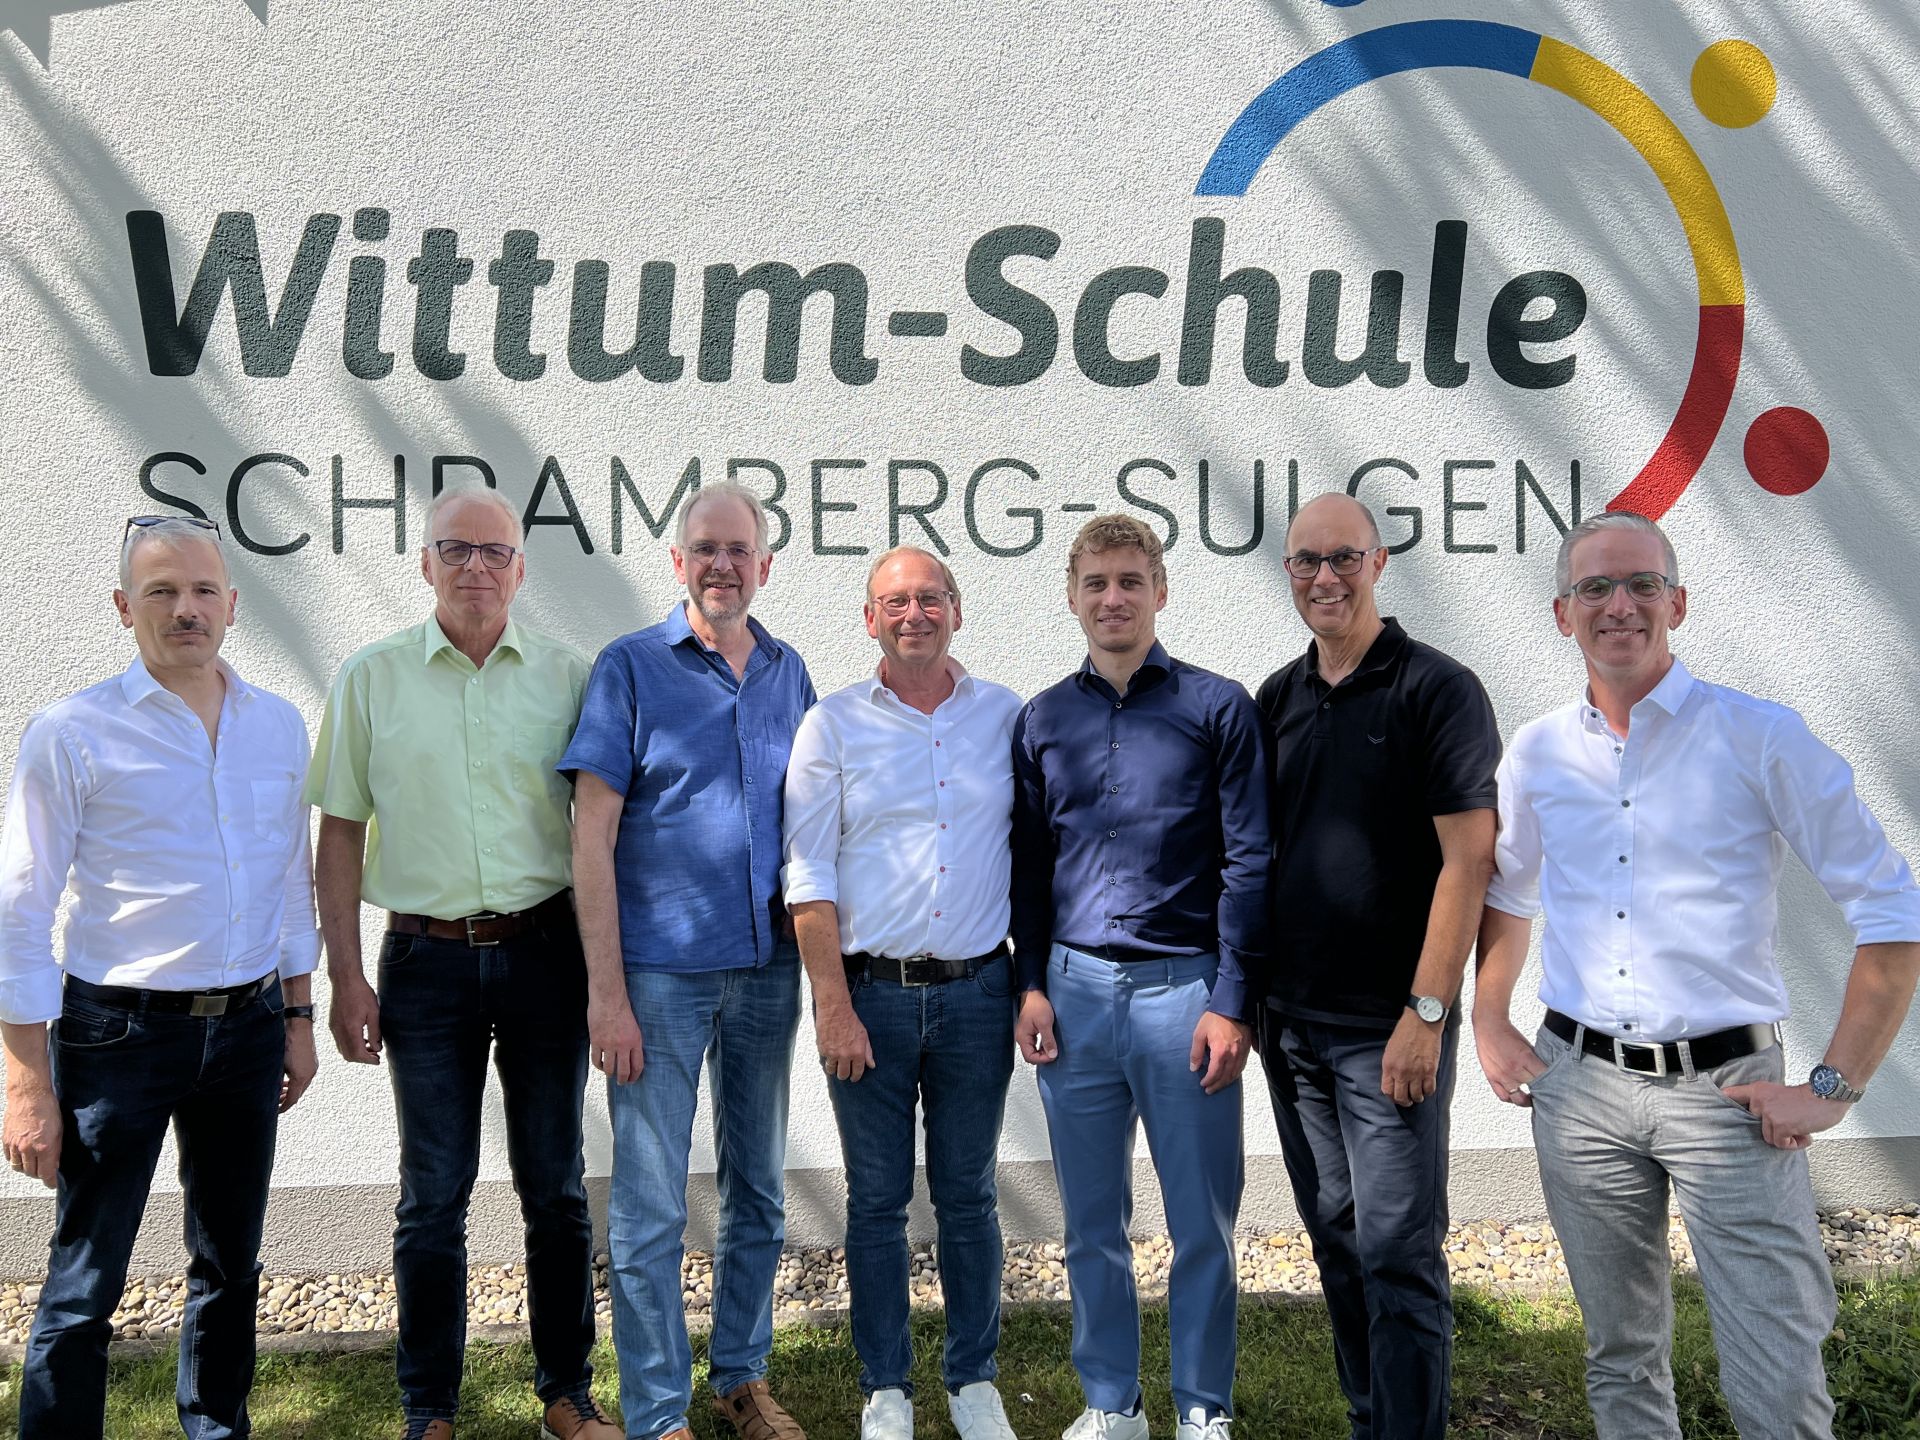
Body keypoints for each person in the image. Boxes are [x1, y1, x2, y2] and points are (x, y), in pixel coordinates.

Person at [1474, 510, 1920, 1440]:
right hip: (1579, 1092)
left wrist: (1834, 1087)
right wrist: (1489, 1017)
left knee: (1776, 1365)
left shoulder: (1761, 738)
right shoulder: (1539, 751)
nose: (1619, 605)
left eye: (1642, 584)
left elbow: (1892, 913)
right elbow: (1507, 895)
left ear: (1677, 603)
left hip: (1729, 1099)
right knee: (1620, 1355)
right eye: (1595, 587)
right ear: (1562, 613)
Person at [0, 515, 320, 1440]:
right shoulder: (72, 734)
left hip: (249, 1028)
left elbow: (289, 881)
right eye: (162, 592)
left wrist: (299, 1015)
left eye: (203, 590)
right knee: (85, 1280)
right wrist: (24, 1082)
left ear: (232, 604)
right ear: (123, 606)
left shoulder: (277, 725)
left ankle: (215, 1428)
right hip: (117, 1036)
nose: (187, 609)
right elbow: (19, 911)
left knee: (230, 1265)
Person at [307, 487, 613, 1440]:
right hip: (424, 962)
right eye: (456, 549)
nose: (476, 567)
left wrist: (611, 975)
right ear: (425, 562)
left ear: (521, 569)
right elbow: (339, 833)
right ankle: (429, 1408)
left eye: (495, 552)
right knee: (432, 1195)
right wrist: (344, 976)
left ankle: (566, 1392)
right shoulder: (371, 679)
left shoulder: (569, 678)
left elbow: (601, 831)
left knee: (555, 1188)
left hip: (546, 954)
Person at [562, 482, 817, 1440]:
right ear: (678, 562)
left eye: (738, 549)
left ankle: (740, 1378)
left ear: (764, 565)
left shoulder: (789, 673)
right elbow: (591, 837)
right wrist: (607, 995)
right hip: (659, 981)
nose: (721, 565)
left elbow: (815, 825)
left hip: (767, 971)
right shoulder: (629, 668)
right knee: (650, 1207)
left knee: (758, 1191)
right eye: (704, 548)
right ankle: (658, 1412)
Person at [1010, 514, 1268, 1440]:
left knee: (1201, 1222)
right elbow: (1029, 865)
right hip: (1073, 996)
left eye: (1130, 581)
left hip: (1186, 995)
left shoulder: (1218, 707)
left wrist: (1233, 1001)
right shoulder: (1043, 719)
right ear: (1072, 597)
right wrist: (1030, 985)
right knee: (1090, 1223)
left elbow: (1250, 860)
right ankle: (1112, 1404)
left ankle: (1201, 1410)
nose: (1112, 598)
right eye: (1096, 583)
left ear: (1161, 591)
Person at [1254, 494, 1498, 1440]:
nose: (1326, 578)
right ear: (1288, 572)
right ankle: (1373, 1420)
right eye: (1307, 561)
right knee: (1338, 1240)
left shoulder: (1437, 689)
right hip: (1293, 1028)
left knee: (1398, 1252)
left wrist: (1427, 1013)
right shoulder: (1278, 698)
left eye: (1344, 558)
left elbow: (1469, 863)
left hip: (1387, 1029)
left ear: (1379, 563)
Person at [783, 547, 1024, 1440]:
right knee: (876, 1201)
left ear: (957, 609)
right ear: (869, 619)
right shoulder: (833, 726)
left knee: (969, 1195)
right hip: (871, 998)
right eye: (895, 602)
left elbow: (1037, 854)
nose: (913, 614)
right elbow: (807, 875)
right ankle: (886, 1386)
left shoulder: (1006, 717)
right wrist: (832, 1005)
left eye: (929, 598)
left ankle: (973, 1380)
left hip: (978, 993)